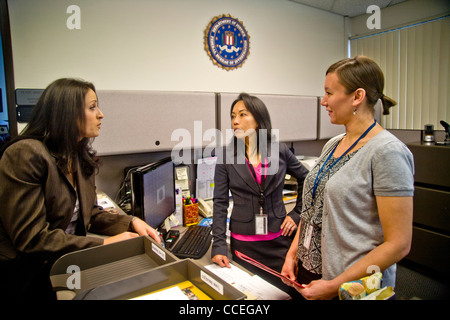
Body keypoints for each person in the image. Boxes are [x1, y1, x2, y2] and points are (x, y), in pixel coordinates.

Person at [0, 78, 161, 300]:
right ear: (66, 113)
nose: (101, 114)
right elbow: (32, 238)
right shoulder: (27, 154)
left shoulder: (76, 155)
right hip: (25, 276)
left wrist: (132, 222)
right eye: (92, 107)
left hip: (63, 264)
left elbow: (91, 214)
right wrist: (104, 243)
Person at [281, 56, 414, 300]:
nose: (323, 101)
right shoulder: (333, 144)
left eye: (329, 93)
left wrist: (334, 286)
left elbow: (399, 244)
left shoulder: (387, 152)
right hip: (310, 273)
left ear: (357, 96)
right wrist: (292, 256)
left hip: (350, 286)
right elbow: (312, 209)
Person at [211, 93, 309, 295]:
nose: (235, 121)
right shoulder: (226, 156)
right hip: (244, 245)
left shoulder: (279, 150)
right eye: (232, 116)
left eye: (242, 114)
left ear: (258, 120)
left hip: (279, 240)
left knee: (286, 294)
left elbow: (307, 178)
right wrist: (219, 245)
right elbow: (220, 203)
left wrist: (297, 213)